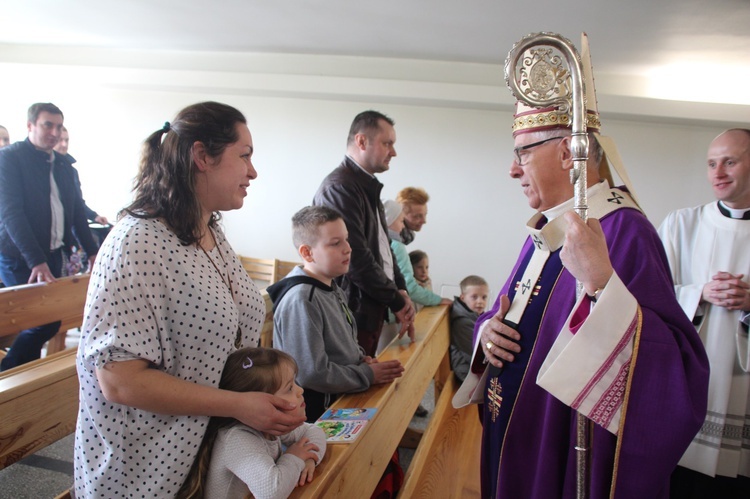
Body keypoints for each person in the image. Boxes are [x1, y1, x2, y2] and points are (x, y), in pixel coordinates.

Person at [454, 35, 709, 498]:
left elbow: (674, 367)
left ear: (568, 152)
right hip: (513, 429)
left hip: (556, 452)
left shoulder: (624, 232)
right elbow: (505, 310)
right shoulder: (548, 229)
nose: (513, 169)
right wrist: (486, 335)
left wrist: (602, 284)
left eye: (523, 152)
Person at [74, 101, 306, 498]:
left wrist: (270, 395)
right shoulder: (137, 242)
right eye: (244, 156)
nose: (253, 171)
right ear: (202, 156)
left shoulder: (210, 231)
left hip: (205, 453)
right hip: (145, 468)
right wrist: (237, 404)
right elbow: (119, 381)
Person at [658, 128, 750, 498]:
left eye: (731, 161)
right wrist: (699, 293)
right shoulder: (681, 224)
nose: (718, 172)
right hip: (691, 385)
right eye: (712, 163)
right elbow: (648, 297)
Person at [268, 205, 404, 421]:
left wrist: (361, 360)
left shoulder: (331, 286)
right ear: (307, 252)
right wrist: (367, 375)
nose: (348, 249)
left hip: (339, 393)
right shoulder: (302, 299)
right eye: (335, 243)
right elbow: (311, 373)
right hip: (315, 412)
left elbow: (342, 342)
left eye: (346, 239)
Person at [0, 103, 99, 370]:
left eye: (58, 126)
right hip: (20, 257)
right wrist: (36, 261)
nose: (54, 132)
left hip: (54, 255)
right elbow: (12, 214)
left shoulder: (66, 167)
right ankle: (8, 370)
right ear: (30, 125)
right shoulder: (9, 158)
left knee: (45, 321)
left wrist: (93, 252)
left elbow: (78, 212)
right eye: (47, 125)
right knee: (44, 321)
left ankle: (20, 379)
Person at [313, 110, 415, 356]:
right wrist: (397, 299)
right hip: (349, 308)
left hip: (365, 305)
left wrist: (400, 289)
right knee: (350, 388)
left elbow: (384, 248)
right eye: (387, 143)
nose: (393, 152)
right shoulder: (340, 188)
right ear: (361, 141)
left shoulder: (365, 186)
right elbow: (355, 257)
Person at [177, 347, 327, 499]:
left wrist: (309, 458)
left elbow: (315, 431)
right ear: (260, 403)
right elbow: (271, 492)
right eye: (289, 388)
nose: (300, 390)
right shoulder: (237, 439)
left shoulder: (270, 426)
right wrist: (294, 457)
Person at [54, 126, 109, 226]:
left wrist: (94, 216)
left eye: (66, 140)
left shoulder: (72, 171)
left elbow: (78, 203)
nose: (64, 144)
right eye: (60, 140)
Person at [450, 275, 489, 382]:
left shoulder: (474, 314)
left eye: (484, 297)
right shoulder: (462, 321)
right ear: (463, 298)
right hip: (466, 370)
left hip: (473, 364)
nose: (480, 301)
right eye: (474, 297)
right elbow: (476, 351)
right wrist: (491, 345)